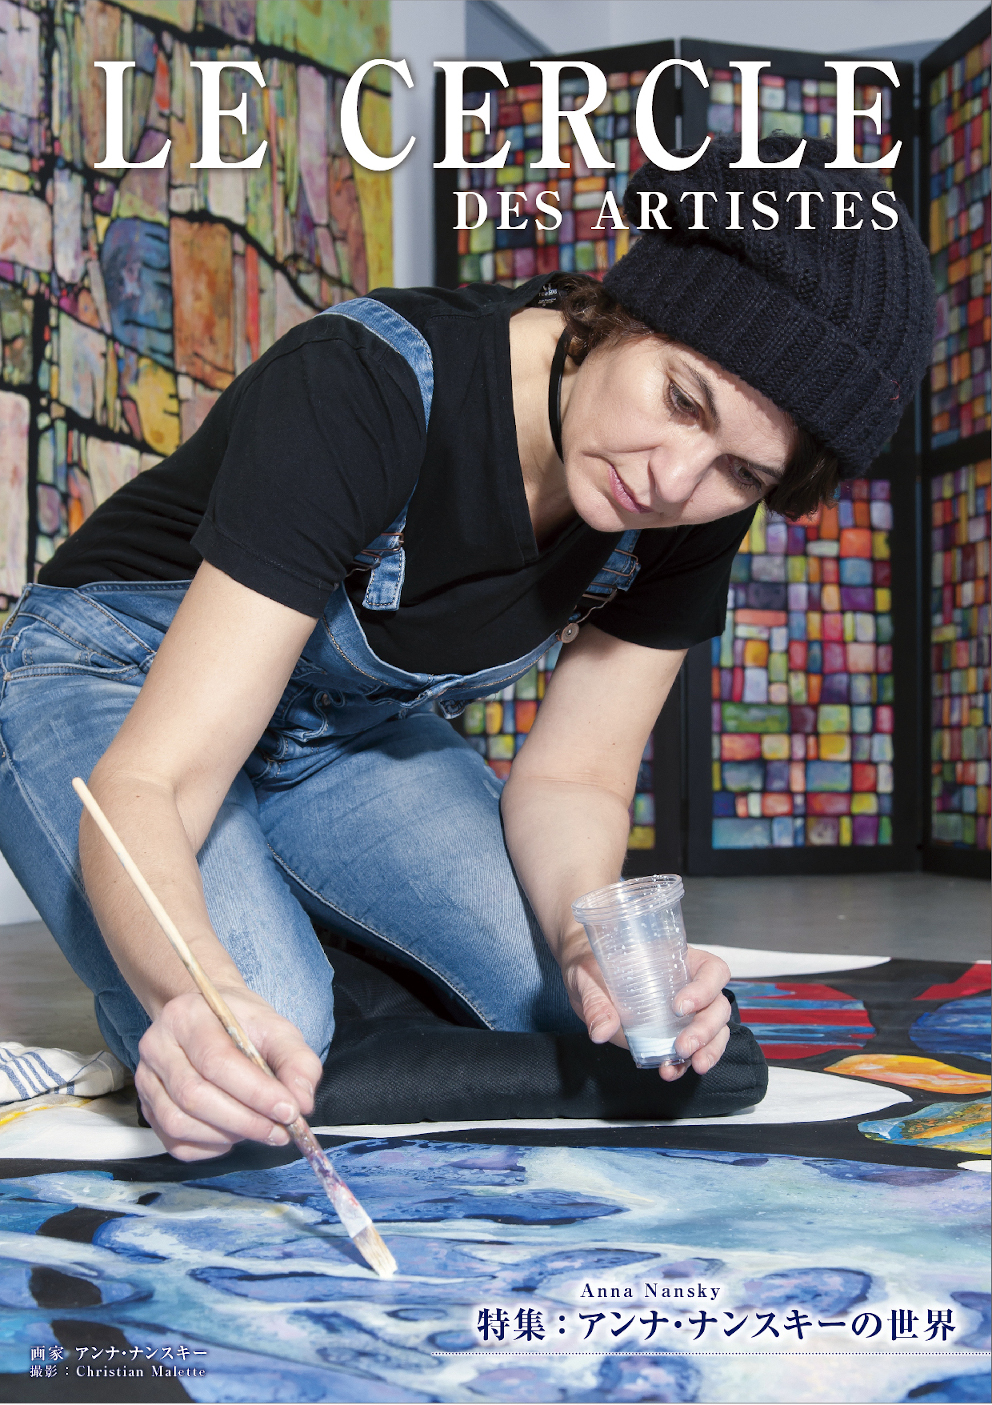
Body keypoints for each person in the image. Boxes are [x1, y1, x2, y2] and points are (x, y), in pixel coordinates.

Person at [0, 137, 933, 1161]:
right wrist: (195, 992)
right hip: (113, 681)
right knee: (257, 1053)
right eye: (679, 399)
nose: (674, 482)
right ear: (627, 309)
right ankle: (304, 976)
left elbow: (575, 776)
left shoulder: (694, 501)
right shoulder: (366, 387)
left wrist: (586, 940)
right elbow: (161, 776)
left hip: (339, 734)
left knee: (590, 1014)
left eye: (743, 472)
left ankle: (342, 971)